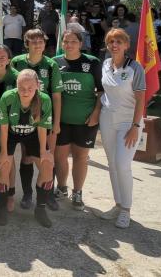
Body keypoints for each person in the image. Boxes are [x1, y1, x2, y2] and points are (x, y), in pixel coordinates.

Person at [98, 28, 145, 229]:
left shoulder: (135, 67)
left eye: (118, 42)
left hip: (129, 122)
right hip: (107, 119)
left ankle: (126, 209)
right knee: (112, 163)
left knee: (122, 164)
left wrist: (135, 126)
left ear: (126, 45)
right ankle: (118, 204)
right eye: (111, 42)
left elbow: (141, 99)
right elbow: (104, 93)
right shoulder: (106, 64)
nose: (114, 45)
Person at [10, 29, 62, 211]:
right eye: (33, 41)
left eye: (40, 41)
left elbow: (56, 95)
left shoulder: (51, 65)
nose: (37, 44)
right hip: (24, 117)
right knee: (27, 157)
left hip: (45, 118)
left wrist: (56, 123)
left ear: (45, 43)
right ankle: (27, 194)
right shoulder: (16, 62)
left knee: (48, 156)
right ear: (27, 43)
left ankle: (48, 195)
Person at [0, 69, 55, 227]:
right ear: (16, 86)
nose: (26, 92)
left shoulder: (45, 100)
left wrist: (44, 152)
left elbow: (43, 128)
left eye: (30, 88)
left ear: (37, 86)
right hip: (10, 134)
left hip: (33, 134)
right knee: (3, 166)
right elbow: (3, 128)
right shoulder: (8, 98)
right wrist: (3, 153)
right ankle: (2, 207)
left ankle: (40, 208)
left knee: (47, 165)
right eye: (22, 88)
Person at [53, 30, 103, 210]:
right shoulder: (56, 62)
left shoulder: (92, 62)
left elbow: (102, 91)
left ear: (81, 44)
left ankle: (78, 192)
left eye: (73, 41)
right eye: (66, 41)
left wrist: (96, 112)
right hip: (62, 121)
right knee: (60, 157)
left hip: (85, 120)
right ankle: (61, 188)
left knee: (81, 157)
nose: (69, 44)